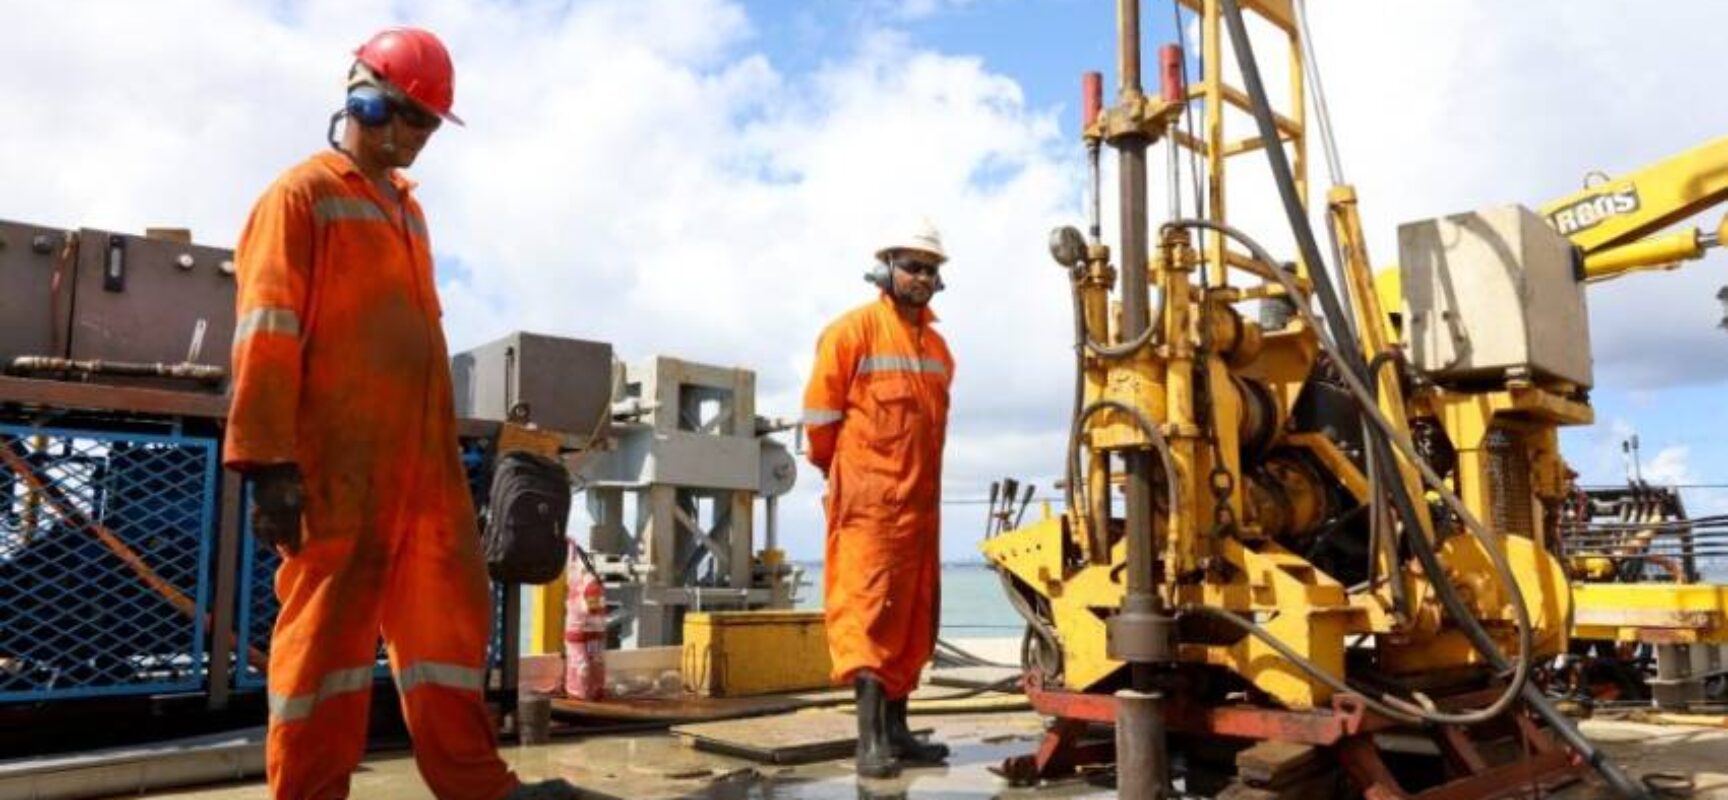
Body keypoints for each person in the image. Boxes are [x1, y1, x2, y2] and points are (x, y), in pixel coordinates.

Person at [226, 27, 577, 800]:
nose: (414, 135)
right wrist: (267, 463)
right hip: (338, 470)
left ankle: (478, 786)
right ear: (361, 95)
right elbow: (266, 331)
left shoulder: (407, 212)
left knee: (448, 631)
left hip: (424, 472)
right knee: (325, 651)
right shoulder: (301, 197)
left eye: (427, 122)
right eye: (404, 113)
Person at [802, 220, 956, 778]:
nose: (921, 276)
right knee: (868, 618)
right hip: (869, 506)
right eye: (912, 265)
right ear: (886, 267)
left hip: (920, 507)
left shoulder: (938, 348)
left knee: (912, 619)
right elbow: (820, 423)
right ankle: (868, 744)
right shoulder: (851, 333)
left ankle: (898, 731)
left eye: (930, 269)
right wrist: (848, 477)